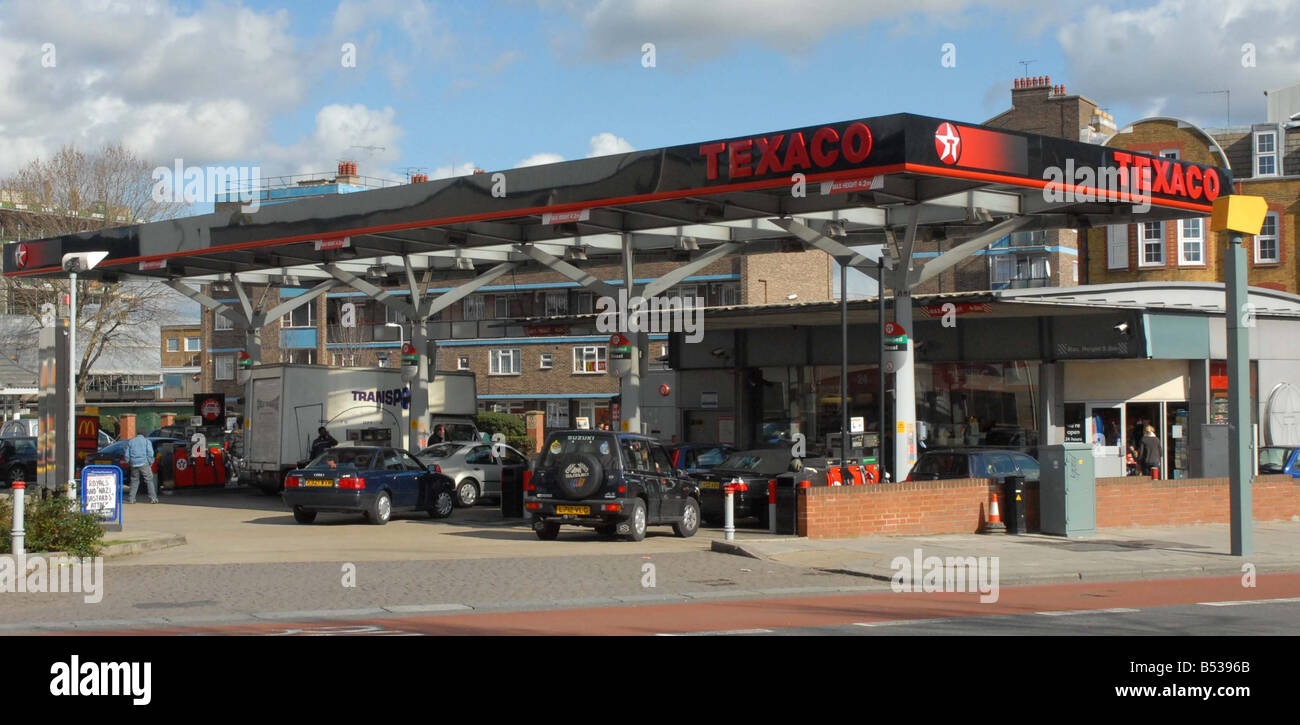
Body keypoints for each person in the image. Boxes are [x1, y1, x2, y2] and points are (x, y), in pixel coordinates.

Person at [125, 432, 157, 504]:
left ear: (136, 434)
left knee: (134, 480)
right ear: (144, 434)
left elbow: (127, 454)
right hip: (144, 462)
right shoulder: (146, 441)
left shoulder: (131, 441)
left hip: (133, 463)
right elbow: (150, 453)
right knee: (149, 480)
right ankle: (153, 498)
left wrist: (129, 462)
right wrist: (150, 462)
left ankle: (131, 499)